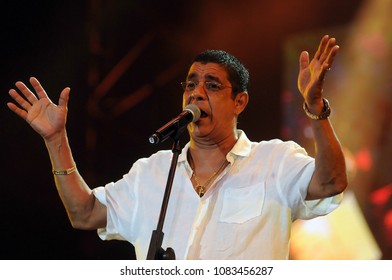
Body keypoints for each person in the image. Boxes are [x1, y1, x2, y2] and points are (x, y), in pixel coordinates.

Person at [7, 34, 347, 260]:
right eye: (191, 85)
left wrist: (315, 107)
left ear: (239, 101)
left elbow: (331, 182)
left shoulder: (275, 160)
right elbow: (83, 213)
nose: (196, 93)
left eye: (212, 85)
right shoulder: (151, 173)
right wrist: (55, 139)